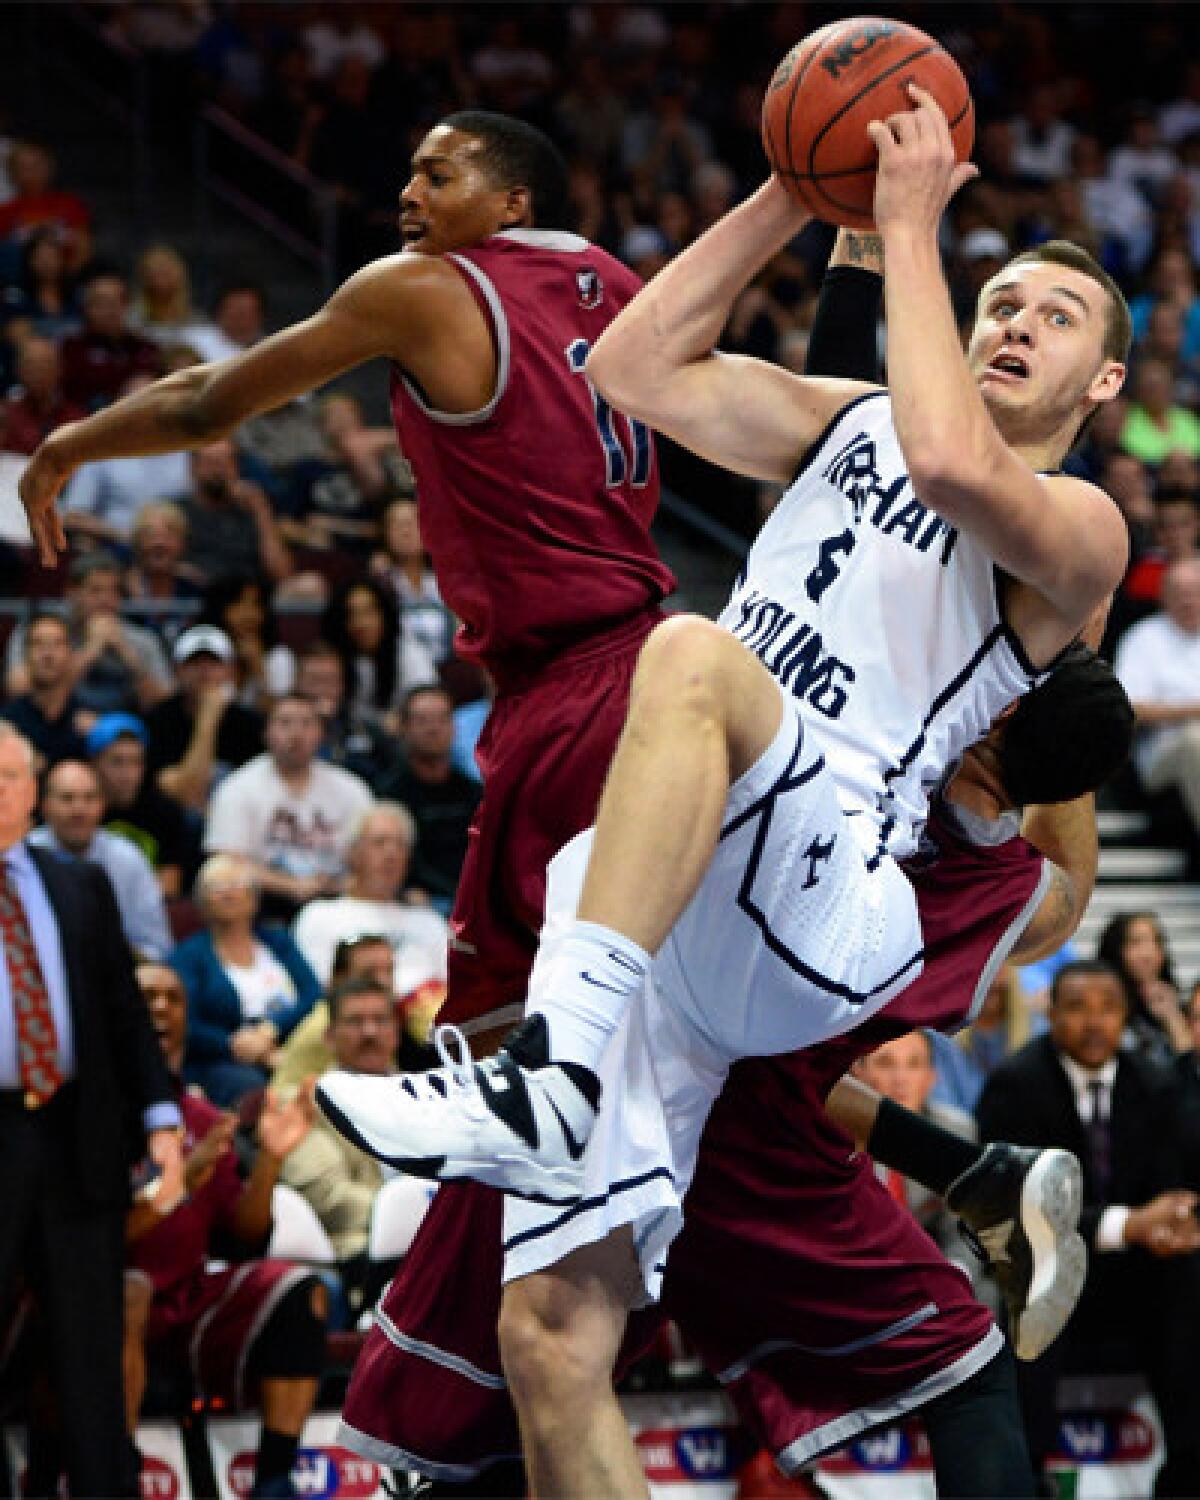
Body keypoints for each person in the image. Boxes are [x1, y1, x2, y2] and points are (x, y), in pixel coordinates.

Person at [319, 90, 1129, 1495]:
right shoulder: (855, 419)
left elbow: (949, 457)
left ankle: (552, 1073)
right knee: (553, 1337)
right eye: (1003, 300)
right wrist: (781, 191)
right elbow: (628, 367)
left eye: (1054, 318)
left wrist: (911, 227)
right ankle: (562, 1073)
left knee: (689, 654)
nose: (1013, 323)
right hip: (677, 909)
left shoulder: (1083, 535)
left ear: (1105, 384)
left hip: (829, 891)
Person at [336, 645, 1133, 1494]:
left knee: (540, 1379)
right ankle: (971, 1171)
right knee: (966, 1370)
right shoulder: (998, 894)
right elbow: (1070, 890)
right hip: (756, 1139)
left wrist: (1048, 644)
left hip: (634, 1068)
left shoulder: (853, 741)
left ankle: (971, 1170)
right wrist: (1064, 720)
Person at [0, 723, 183, 1496]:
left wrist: (163, 1118)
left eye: (11, 775)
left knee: (91, 1350)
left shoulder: (75, 881)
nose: (1, 789)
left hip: (78, 1132)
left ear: (32, 790)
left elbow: (123, 1013)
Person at [977, 961, 1200, 1492]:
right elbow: (1016, 1203)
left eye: (1108, 1009)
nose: (1095, 1023)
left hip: (1134, 1275)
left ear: (1126, 1017)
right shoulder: (1014, 1085)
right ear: (1049, 1014)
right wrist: (1128, 1225)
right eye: (1077, 1008)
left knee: (1191, 1278)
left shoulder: (1155, 1082)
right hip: (1046, 1265)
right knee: (1029, 1288)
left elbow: (1168, 1187)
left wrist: (1174, 1221)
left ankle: (1187, 1472)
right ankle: (1027, 1477)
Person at [125, 959, 326, 1499]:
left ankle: (274, 1480)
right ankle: (113, 1476)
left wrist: (269, 1161)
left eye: (174, 998)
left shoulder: (201, 1117)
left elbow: (241, 1238)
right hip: (104, 1306)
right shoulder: (99, 1107)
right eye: (147, 997)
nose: (162, 1008)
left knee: (298, 1292)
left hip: (187, 1303)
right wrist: (182, 1180)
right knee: (130, 1293)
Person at [278, 974, 407, 1311]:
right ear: (329, 1037)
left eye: (381, 1021)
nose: (370, 1032)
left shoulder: (431, 1096)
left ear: (397, 1032)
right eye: (355, 1022)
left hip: (435, 1245)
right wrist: (424, 1217)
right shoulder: (305, 1103)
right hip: (360, 1254)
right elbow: (329, 1197)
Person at [202, 693, 374, 919]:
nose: (296, 733)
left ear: (321, 734)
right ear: (266, 733)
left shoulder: (351, 789)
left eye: (306, 723)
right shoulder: (238, 787)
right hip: (263, 907)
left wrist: (345, 883)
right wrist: (293, 885)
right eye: (285, 723)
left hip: (339, 902)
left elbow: (373, 850)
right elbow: (224, 862)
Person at [171, 852, 321, 1106]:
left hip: (288, 1046)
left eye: (237, 885)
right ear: (201, 901)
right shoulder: (187, 955)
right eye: (216, 887)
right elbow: (187, 1023)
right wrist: (235, 1044)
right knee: (255, 1089)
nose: (229, 894)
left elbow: (312, 994)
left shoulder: (278, 941)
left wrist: (270, 1031)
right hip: (221, 1061)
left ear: (254, 898)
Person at [30, 758, 172, 959]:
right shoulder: (22, 856)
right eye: (67, 798)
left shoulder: (128, 859)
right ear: (44, 806)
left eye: (89, 798)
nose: (79, 810)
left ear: (102, 805)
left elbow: (157, 947)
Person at [5, 551, 173, 716]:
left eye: (114, 591)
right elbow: (18, 689)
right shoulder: (41, 629)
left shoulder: (142, 639)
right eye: (96, 591)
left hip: (123, 729)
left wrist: (128, 655)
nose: (106, 600)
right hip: (55, 724)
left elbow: (167, 705)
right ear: (71, 593)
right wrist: (91, 650)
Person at [1114, 557, 1200, 836]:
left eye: (1194, 591)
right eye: (1180, 592)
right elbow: (1129, 710)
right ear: (1164, 596)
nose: (1188, 600)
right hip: (1164, 749)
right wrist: (1193, 712)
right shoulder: (1144, 637)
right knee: (1195, 740)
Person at [376, 683, 481, 909]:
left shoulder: (475, 792)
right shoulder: (388, 795)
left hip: (474, 898)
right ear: (403, 727)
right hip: (419, 901)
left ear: (454, 727)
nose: (433, 729)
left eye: (442, 719)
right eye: (422, 720)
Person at [145, 623, 264, 812]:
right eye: (194, 662)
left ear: (230, 670)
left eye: (214, 662)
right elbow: (186, 795)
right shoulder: (159, 720)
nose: (204, 670)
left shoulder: (249, 723)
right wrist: (208, 717)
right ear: (177, 670)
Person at [87, 712, 193, 899]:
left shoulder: (165, 813)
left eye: (136, 762)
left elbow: (170, 886)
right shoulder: (80, 811)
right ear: (94, 764)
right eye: (117, 762)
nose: (128, 774)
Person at [1096, 909, 1192, 1065]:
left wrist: (1173, 1018)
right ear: (1116, 949)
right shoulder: (1098, 1001)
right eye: (1136, 942)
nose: (1148, 953)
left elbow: (1190, 1068)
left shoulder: (1173, 1003)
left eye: (1155, 942)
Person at [0, 608, 90, 767]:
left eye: (57, 644)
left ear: (71, 653)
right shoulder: (7, 722)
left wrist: (100, 734)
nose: (47, 654)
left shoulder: (89, 721)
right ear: (25, 655)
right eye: (38, 644)